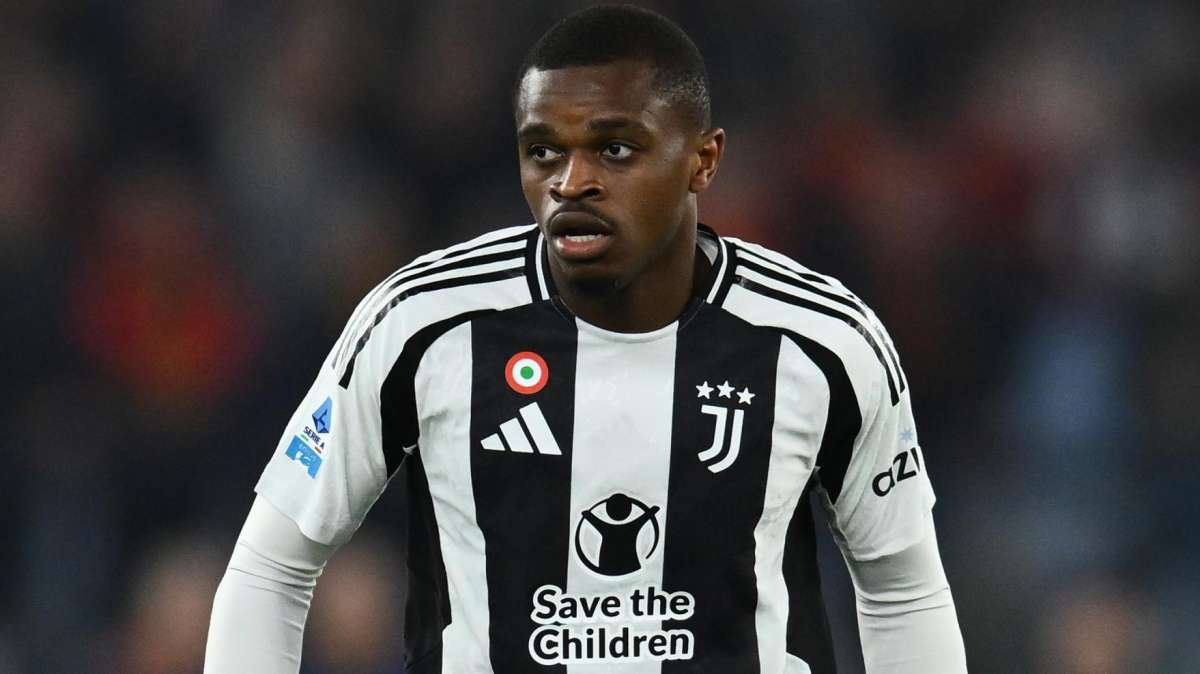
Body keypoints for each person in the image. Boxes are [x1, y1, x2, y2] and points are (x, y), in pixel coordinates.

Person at [205, 5, 968, 673]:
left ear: (703, 160)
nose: (572, 182)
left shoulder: (822, 340)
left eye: (615, 149)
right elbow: (271, 567)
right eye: (544, 150)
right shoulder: (421, 323)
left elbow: (902, 587)